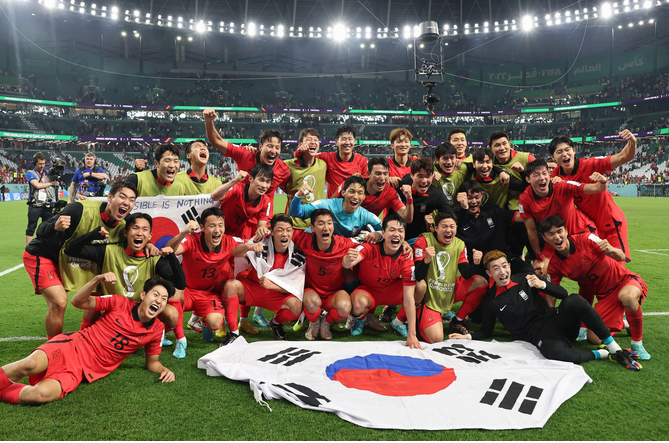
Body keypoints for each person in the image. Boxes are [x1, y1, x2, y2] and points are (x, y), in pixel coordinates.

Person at [449, 250, 642, 371]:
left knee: (574, 299)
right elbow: (486, 331)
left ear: (509, 266)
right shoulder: (491, 302)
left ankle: (614, 348)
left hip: (558, 322)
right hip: (542, 337)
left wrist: (542, 285)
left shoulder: (525, 278)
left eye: (504, 266)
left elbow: (563, 294)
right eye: (496, 268)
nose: (502, 272)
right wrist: (467, 337)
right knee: (553, 352)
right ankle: (603, 354)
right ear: (489, 273)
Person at [0, 274, 176, 405]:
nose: (159, 300)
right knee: (29, 365)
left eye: (164, 299)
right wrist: (96, 280)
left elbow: (152, 362)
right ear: (143, 295)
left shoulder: (156, 330)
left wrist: (164, 370)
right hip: (73, 345)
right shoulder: (119, 302)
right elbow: (77, 302)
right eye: (155, 294)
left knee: (40, 395)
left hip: (82, 371)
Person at [23, 181, 138, 339]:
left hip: (72, 259)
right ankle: (53, 347)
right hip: (44, 255)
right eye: (122, 197)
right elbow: (41, 231)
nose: (126, 202)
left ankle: (85, 337)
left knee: (99, 295)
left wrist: (150, 246)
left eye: (132, 200)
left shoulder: (126, 224)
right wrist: (55, 226)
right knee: (59, 302)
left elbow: (140, 235)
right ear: (110, 197)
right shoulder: (79, 209)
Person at [539, 215, 650, 360]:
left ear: (566, 231)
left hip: (625, 281)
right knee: (594, 338)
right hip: (605, 297)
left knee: (627, 297)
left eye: (559, 231)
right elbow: (551, 294)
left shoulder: (588, 238)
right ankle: (624, 322)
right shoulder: (554, 265)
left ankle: (637, 343)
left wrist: (611, 250)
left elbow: (622, 256)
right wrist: (550, 319)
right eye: (551, 234)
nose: (557, 237)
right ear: (545, 238)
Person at [62, 212, 186, 332]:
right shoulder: (108, 251)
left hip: (141, 309)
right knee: (95, 296)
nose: (139, 233)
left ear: (149, 236)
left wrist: (172, 257)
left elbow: (180, 284)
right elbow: (70, 250)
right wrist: (93, 235)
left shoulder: (155, 258)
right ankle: (85, 333)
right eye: (135, 228)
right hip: (113, 308)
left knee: (172, 314)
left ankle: (154, 332)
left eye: (144, 230)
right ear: (125, 232)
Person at [164, 207, 247, 358]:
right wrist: (184, 232)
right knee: (171, 304)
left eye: (220, 225)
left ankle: (204, 323)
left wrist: (256, 242)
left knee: (215, 323)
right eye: (212, 225)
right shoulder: (191, 239)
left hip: (209, 294)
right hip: (186, 291)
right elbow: (170, 249)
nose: (217, 230)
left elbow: (248, 246)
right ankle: (180, 340)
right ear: (202, 227)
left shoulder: (229, 241)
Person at [549, 131, 636, 262]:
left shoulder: (591, 164)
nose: (565, 154)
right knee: (595, 265)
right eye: (559, 152)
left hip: (610, 224)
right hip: (588, 228)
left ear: (573, 151)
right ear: (553, 157)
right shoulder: (556, 173)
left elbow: (624, 156)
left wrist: (632, 142)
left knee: (616, 264)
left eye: (567, 150)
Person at [221, 214, 307, 343]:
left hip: (275, 294)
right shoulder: (261, 241)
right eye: (280, 230)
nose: (285, 234)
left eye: (288, 230)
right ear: (271, 232)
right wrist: (250, 246)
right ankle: (233, 333)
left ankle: (276, 323)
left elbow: (296, 287)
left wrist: (273, 286)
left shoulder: (297, 254)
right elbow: (235, 253)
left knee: (296, 306)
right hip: (253, 289)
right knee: (230, 285)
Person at [407, 211, 488, 343]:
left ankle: (457, 320)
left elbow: (465, 273)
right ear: (435, 228)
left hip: (448, 291)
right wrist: (426, 260)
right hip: (428, 296)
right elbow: (418, 276)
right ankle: (414, 315)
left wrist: (476, 264)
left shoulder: (459, 244)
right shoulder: (423, 240)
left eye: (452, 226)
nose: (448, 230)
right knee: (436, 338)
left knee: (481, 282)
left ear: (456, 228)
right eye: (444, 226)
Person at [342, 214, 421, 348]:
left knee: (420, 287)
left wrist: (412, 335)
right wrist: (348, 260)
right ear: (383, 233)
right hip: (368, 290)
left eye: (400, 231)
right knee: (357, 305)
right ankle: (362, 319)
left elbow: (408, 298)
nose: (396, 234)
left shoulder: (406, 256)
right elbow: (349, 262)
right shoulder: (370, 247)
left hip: (390, 291)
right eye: (392, 230)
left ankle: (398, 321)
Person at [518, 158, 610, 270]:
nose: (542, 178)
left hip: (582, 233)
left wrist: (602, 181)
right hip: (556, 239)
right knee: (540, 271)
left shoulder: (562, 185)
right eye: (536, 175)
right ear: (528, 179)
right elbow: (531, 230)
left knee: (597, 268)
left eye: (544, 173)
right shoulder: (525, 198)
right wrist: (538, 256)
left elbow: (597, 188)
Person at [290, 208, 360, 340]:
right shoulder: (304, 239)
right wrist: (266, 228)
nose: (326, 227)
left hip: (335, 293)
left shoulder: (342, 243)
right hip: (312, 291)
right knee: (311, 303)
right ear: (312, 228)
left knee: (344, 308)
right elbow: (283, 229)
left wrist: (377, 235)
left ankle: (326, 322)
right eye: (321, 223)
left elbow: (365, 244)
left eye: (329, 223)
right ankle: (314, 322)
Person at [204, 109, 290, 210]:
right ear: (260, 147)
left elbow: (291, 191)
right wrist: (208, 121)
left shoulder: (283, 169)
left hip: (262, 216)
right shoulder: (245, 154)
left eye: (277, 147)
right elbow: (217, 141)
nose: (273, 151)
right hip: (237, 211)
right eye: (270, 146)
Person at [290, 175, 383, 238]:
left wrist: (379, 234)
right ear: (343, 192)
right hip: (311, 243)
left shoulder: (365, 215)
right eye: (352, 191)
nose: (355, 196)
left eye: (360, 193)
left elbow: (385, 230)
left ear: (364, 197)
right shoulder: (326, 205)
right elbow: (295, 213)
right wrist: (298, 196)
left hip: (336, 250)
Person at [293, 125, 368, 197]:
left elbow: (366, 187)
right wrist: (299, 151)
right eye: (343, 139)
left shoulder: (362, 161)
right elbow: (303, 158)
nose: (347, 142)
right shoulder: (326, 158)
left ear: (354, 141)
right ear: (336, 142)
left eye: (350, 139)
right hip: (332, 204)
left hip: (353, 203)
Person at [336, 157, 413, 222]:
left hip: (369, 232)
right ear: (368, 174)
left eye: (385, 174)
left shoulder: (390, 193)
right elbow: (331, 205)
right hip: (342, 228)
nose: (382, 178)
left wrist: (409, 198)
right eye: (378, 174)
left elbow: (407, 218)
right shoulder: (351, 185)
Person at [211, 164, 273, 241]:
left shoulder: (265, 201)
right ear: (251, 179)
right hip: (218, 232)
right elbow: (214, 196)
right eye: (261, 180)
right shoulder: (237, 189)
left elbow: (261, 227)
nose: (264, 185)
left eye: (268, 182)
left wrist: (262, 231)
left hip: (238, 236)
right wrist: (235, 180)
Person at [399, 157, 452, 245]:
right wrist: (389, 179)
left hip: (418, 238)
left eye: (428, 176)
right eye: (420, 176)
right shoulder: (400, 185)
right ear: (412, 175)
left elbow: (450, 216)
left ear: (432, 176)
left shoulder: (436, 194)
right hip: (396, 235)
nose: (424, 181)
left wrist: (434, 225)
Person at [284, 128, 327, 230]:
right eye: (309, 139)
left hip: (316, 225)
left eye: (316, 140)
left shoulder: (323, 165)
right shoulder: (288, 165)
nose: (313, 142)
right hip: (294, 224)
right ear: (300, 144)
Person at [25, 152, 58, 246]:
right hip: (35, 205)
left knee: (47, 228)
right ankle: (28, 249)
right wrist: (51, 183)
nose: (42, 166)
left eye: (43, 163)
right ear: (35, 163)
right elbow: (37, 185)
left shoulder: (47, 174)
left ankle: (44, 248)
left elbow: (54, 188)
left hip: (47, 205)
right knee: (31, 228)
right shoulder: (30, 173)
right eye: (40, 164)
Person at [431, 142, 469, 207]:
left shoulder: (462, 169)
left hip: (457, 212)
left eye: (452, 158)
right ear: (437, 160)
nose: (449, 162)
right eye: (445, 158)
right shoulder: (430, 171)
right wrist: (429, 178)